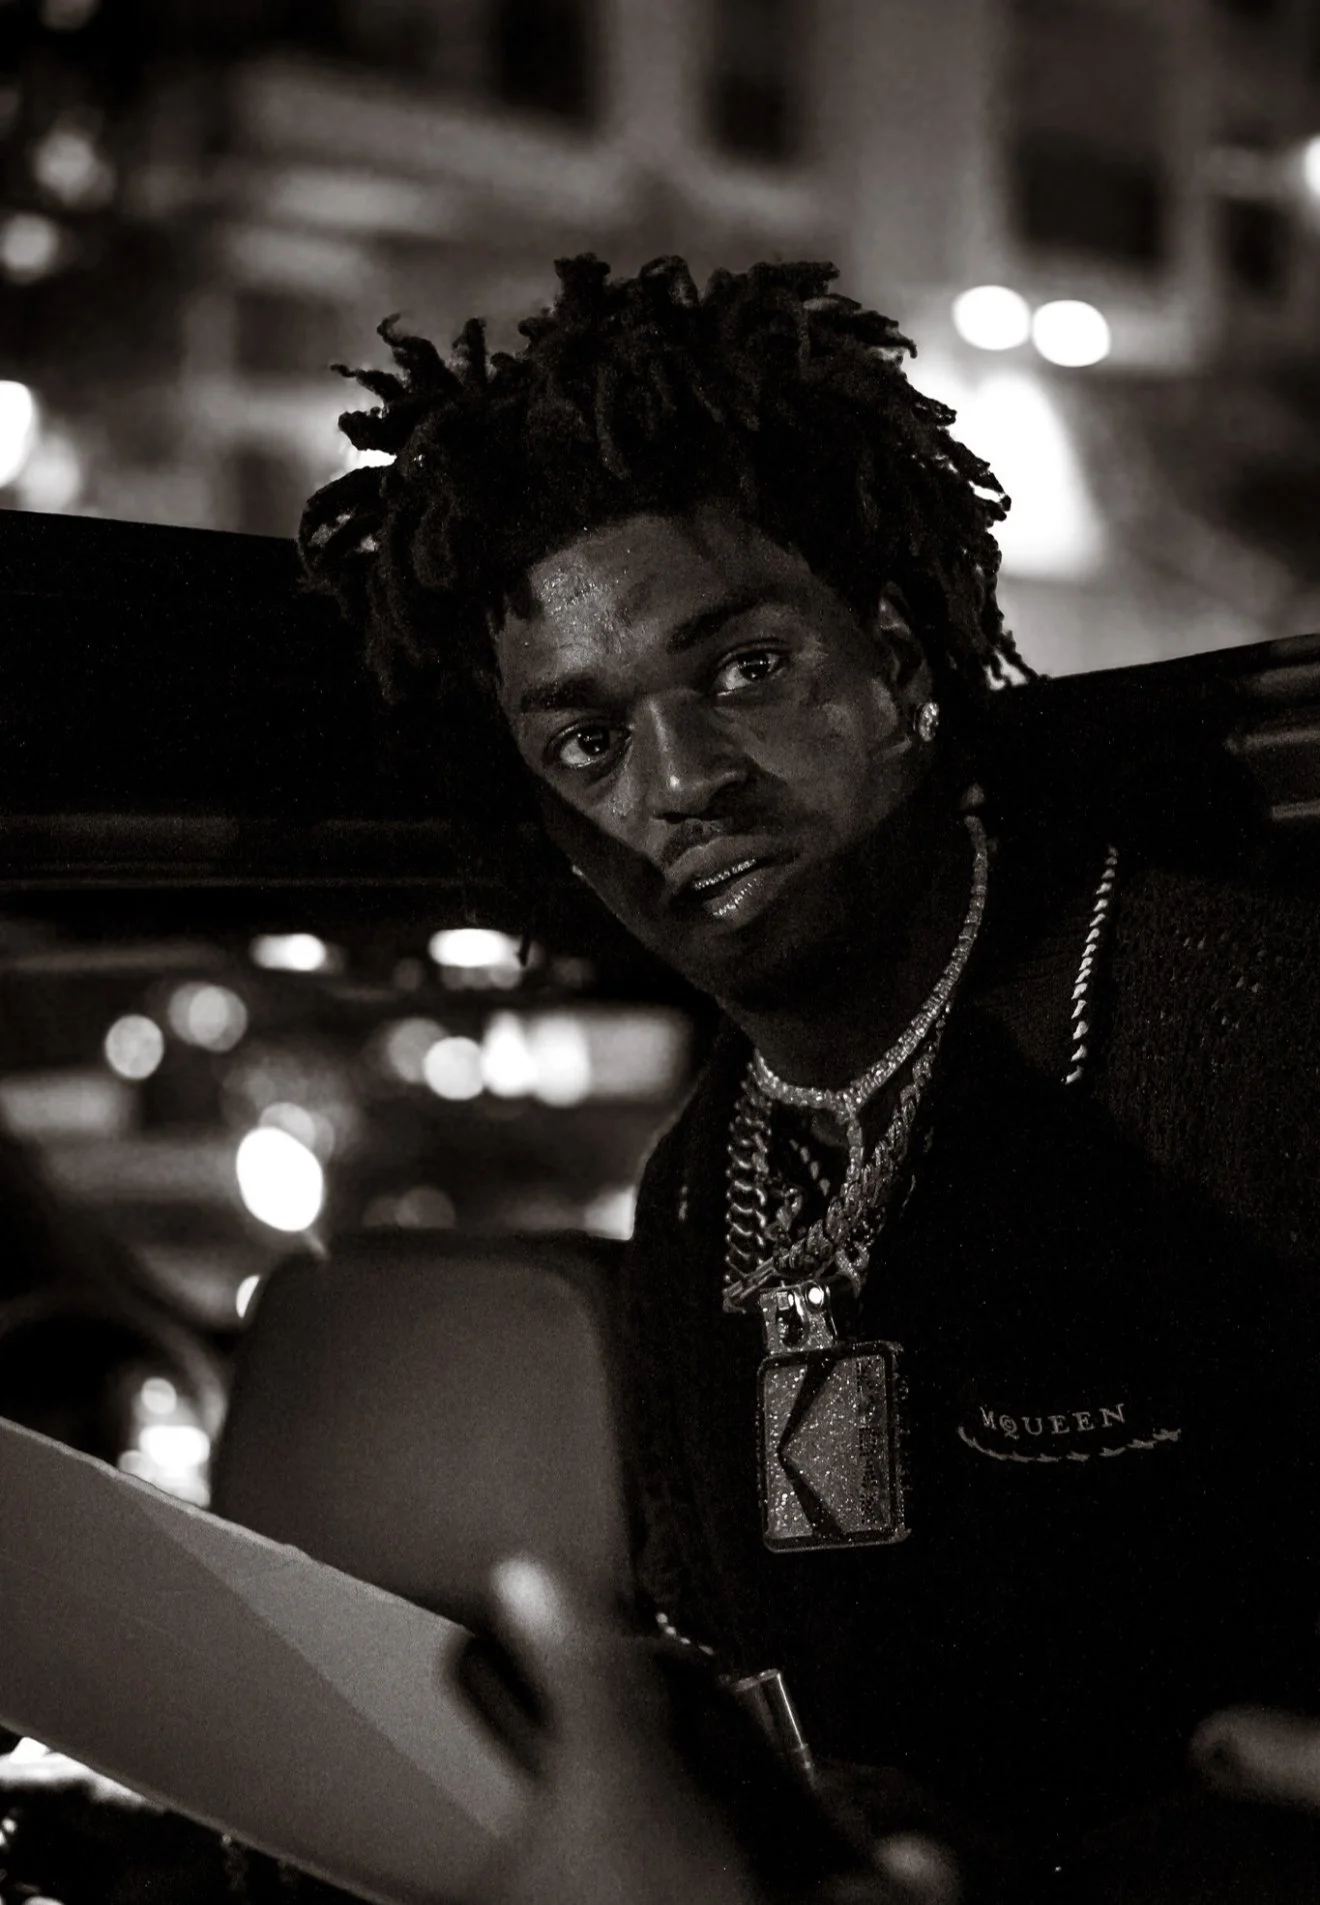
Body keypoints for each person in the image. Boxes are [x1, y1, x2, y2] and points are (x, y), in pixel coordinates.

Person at [299, 255, 1320, 1899]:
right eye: (586, 745)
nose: (682, 780)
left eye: (745, 670)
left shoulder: (1244, 1031)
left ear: (905, 666)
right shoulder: (702, 1189)